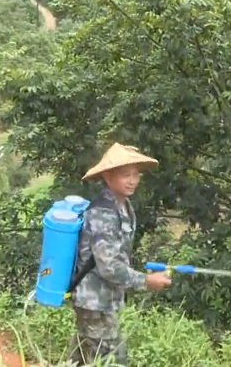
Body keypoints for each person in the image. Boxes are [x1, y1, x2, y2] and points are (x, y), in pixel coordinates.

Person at [69, 143, 172, 366]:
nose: (133, 180)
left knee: (80, 358)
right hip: (93, 300)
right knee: (114, 360)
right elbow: (108, 266)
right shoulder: (103, 212)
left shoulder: (123, 206)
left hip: (101, 300)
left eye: (135, 174)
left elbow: (117, 255)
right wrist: (144, 281)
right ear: (107, 176)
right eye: (126, 175)